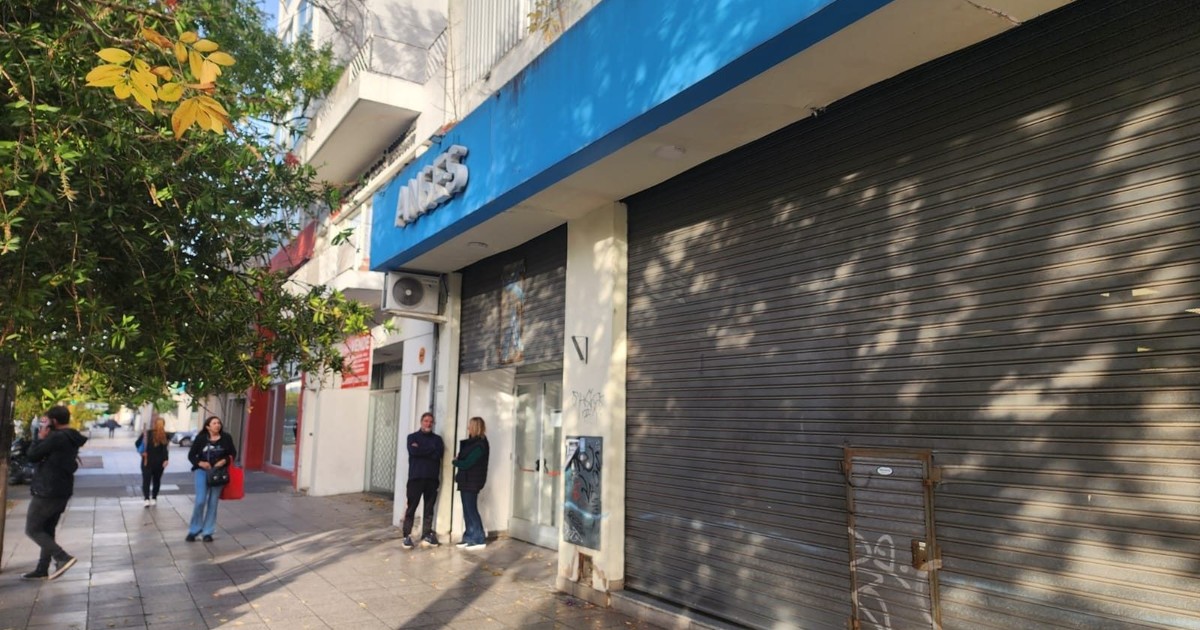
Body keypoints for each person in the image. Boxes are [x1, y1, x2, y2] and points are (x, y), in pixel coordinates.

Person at [23, 405, 87, 580]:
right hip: (62, 489)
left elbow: (32, 455)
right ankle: (42, 569)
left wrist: (39, 437)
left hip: (47, 490)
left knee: (33, 529)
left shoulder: (56, 438)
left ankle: (62, 557)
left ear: (54, 421)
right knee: (47, 529)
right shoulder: (71, 437)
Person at [186, 415, 236, 542]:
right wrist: (200, 463)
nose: (217, 425)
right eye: (214, 423)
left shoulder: (226, 438)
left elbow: (232, 453)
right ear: (208, 426)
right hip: (202, 472)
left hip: (219, 473)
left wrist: (224, 461)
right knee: (200, 500)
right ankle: (194, 529)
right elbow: (191, 455)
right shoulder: (201, 438)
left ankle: (208, 532)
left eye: (218, 423)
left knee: (213, 502)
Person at [402, 412, 444, 549]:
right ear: (421, 422)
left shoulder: (437, 439)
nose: (428, 423)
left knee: (429, 509)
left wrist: (421, 449)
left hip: (432, 479)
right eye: (426, 421)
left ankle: (426, 534)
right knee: (411, 508)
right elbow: (414, 452)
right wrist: (430, 449)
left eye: (431, 421)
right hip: (416, 478)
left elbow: (438, 454)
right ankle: (407, 536)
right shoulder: (412, 437)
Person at [452, 416, 490, 550]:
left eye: (470, 425)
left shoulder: (480, 444)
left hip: (472, 481)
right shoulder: (472, 443)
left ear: (475, 427)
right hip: (466, 480)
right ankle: (469, 536)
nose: (468, 428)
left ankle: (479, 539)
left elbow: (468, 463)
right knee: (467, 510)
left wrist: (456, 462)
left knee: (471, 510)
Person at [140, 417, 170, 507]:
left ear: (154, 424)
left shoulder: (148, 433)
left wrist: (142, 453)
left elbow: (137, 443)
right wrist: (166, 459)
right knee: (156, 481)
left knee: (146, 481)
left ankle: (146, 499)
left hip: (147, 461)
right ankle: (153, 498)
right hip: (158, 462)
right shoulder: (165, 435)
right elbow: (165, 449)